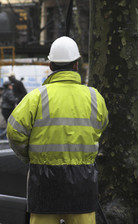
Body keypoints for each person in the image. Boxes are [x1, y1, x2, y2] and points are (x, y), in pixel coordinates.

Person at [7, 36, 109, 224]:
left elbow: (14, 132)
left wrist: (30, 156)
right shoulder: (95, 98)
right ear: (76, 65)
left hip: (44, 186)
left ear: (51, 66)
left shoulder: (36, 98)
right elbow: (101, 129)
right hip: (83, 188)